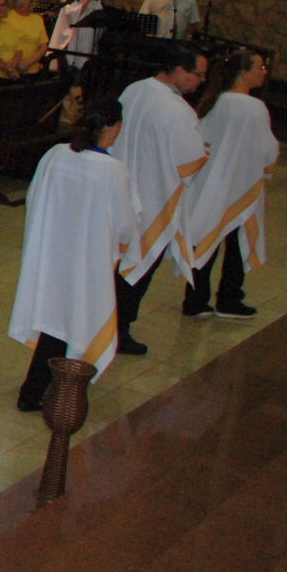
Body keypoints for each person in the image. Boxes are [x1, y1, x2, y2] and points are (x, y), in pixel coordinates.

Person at [8, 97, 137, 410]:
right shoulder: (112, 170)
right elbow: (124, 225)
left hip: (51, 253)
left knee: (56, 321)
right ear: (114, 128)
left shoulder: (55, 155)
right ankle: (41, 389)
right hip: (86, 260)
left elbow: (35, 198)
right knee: (74, 319)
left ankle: (35, 388)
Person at [111, 39, 210, 355]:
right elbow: (188, 163)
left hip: (122, 187)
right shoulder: (178, 110)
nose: (201, 80)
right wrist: (203, 153)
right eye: (198, 74)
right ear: (179, 70)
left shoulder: (134, 90)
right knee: (139, 265)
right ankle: (119, 331)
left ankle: (110, 324)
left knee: (120, 260)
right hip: (155, 195)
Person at [181, 49, 277, 322]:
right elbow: (266, 150)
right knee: (236, 244)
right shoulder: (254, 107)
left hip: (212, 183)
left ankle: (195, 300)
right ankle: (229, 298)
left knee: (207, 236)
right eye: (259, 66)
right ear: (244, 72)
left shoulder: (216, 101)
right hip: (241, 184)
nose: (263, 71)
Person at [50, 0, 104, 83]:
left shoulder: (96, 1)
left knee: (84, 71)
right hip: (73, 39)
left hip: (88, 38)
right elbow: (75, 15)